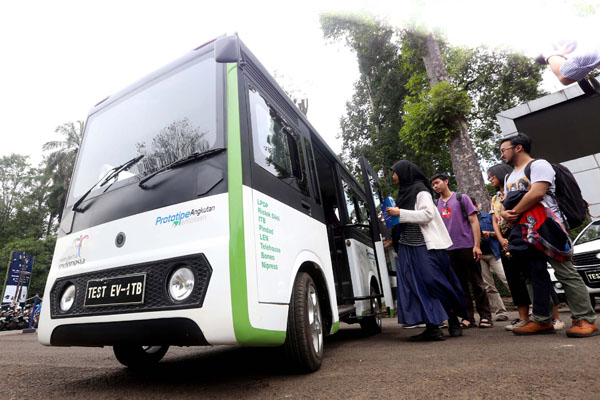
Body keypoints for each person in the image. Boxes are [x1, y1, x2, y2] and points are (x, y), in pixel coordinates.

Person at [499, 133, 598, 337]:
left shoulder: (539, 165)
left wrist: (514, 211)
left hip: (548, 226)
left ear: (518, 148)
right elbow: (504, 201)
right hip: (524, 230)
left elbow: (537, 192)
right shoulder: (509, 176)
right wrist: (503, 212)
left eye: (504, 150)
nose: (501, 155)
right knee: (532, 275)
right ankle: (542, 319)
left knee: (564, 271)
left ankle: (585, 319)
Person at [385, 160, 466, 341]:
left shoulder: (420, 190)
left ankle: (453, 320)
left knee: (433, 282)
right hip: (407, 246)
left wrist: (400, 213)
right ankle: (432, 327)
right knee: (413, 286)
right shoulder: (404, 193)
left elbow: (428, 215)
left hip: (424, 246)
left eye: (395, 172)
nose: (393, 176)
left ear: (404, 172)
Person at [488, 163, 566, 332]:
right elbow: (495, 219)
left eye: (492, 176)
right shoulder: (495, 199)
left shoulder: (521, 187)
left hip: (524, 232)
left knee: (539, 273)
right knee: (519, 279)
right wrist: (501, 239)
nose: (490, 179)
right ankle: (526, 318)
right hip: (506, 240)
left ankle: (555, 318)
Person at [429, 174, 493, 329]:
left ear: (446, 181)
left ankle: (485, 316)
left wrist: (476, 245)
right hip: (448, 249)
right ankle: (467, 317)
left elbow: (474, 221)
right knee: (459, 285)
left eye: (437, 183)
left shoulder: (461, 198)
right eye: (433, 185)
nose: (435, 186)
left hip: (466, 246)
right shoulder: (436, 204)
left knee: (477, 282)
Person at [470, 196, 509, 322]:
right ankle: (500, 312)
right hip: (480, 257)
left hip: (494, 253)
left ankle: (528, 307)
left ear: (476, 206)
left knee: (506, 279)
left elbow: (500, 231)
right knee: (488, 286)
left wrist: (490, 234)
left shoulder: (488, 217)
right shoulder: (467, 220)